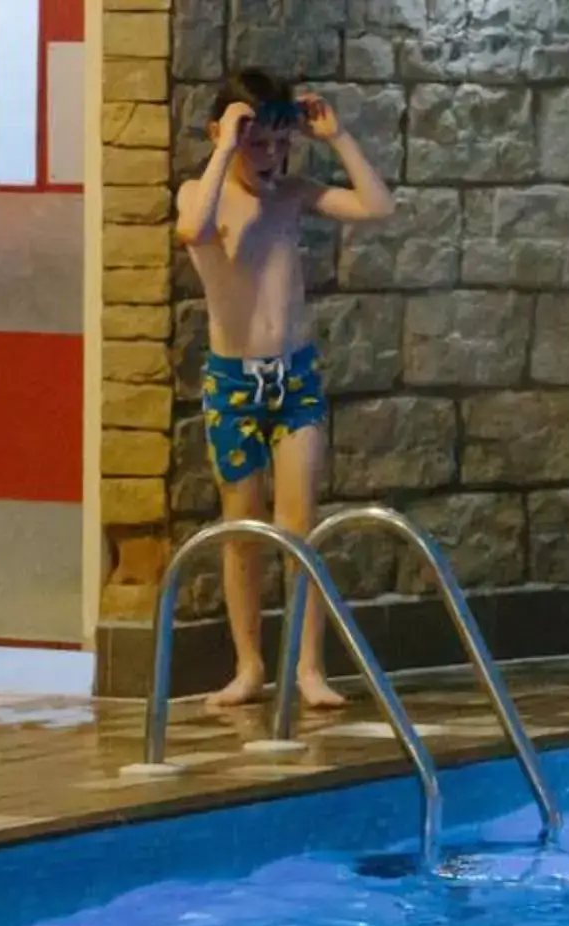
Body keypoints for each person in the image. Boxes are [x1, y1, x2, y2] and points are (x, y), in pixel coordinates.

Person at [176, 71, 395, 714]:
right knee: (243, 532)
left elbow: (378, 207)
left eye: (279, 145)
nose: (271, 159)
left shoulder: (292, 194)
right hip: (235, 385)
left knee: (298, 527)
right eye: (258, 145)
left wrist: (340, 136)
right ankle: (249, 666)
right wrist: (224, 147)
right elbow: (193, 231)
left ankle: (308, 666)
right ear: (226, 136)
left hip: (294, 380)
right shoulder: (203, 195)